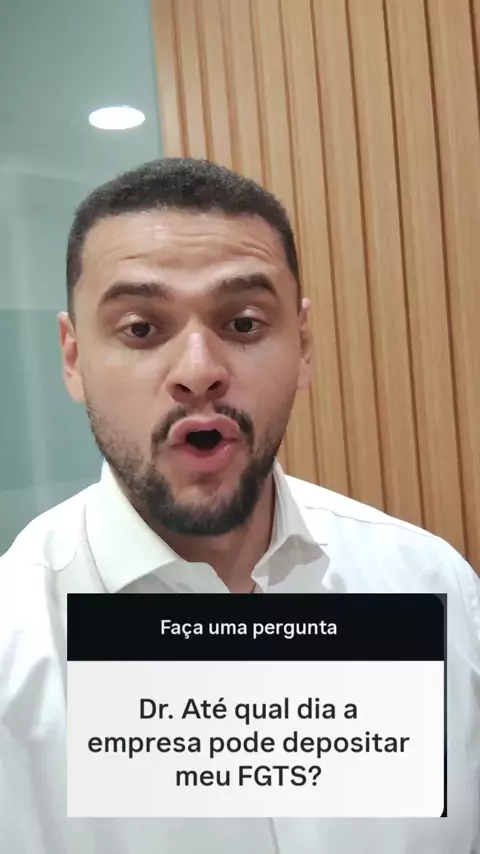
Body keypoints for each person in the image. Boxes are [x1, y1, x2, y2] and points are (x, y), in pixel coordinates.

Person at [0, 157, 478, 854]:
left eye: (245, 323)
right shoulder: (16, 650)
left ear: (303, 344)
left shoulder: (431, 589)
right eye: (141, 329)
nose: (198, 372)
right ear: (73, 358)